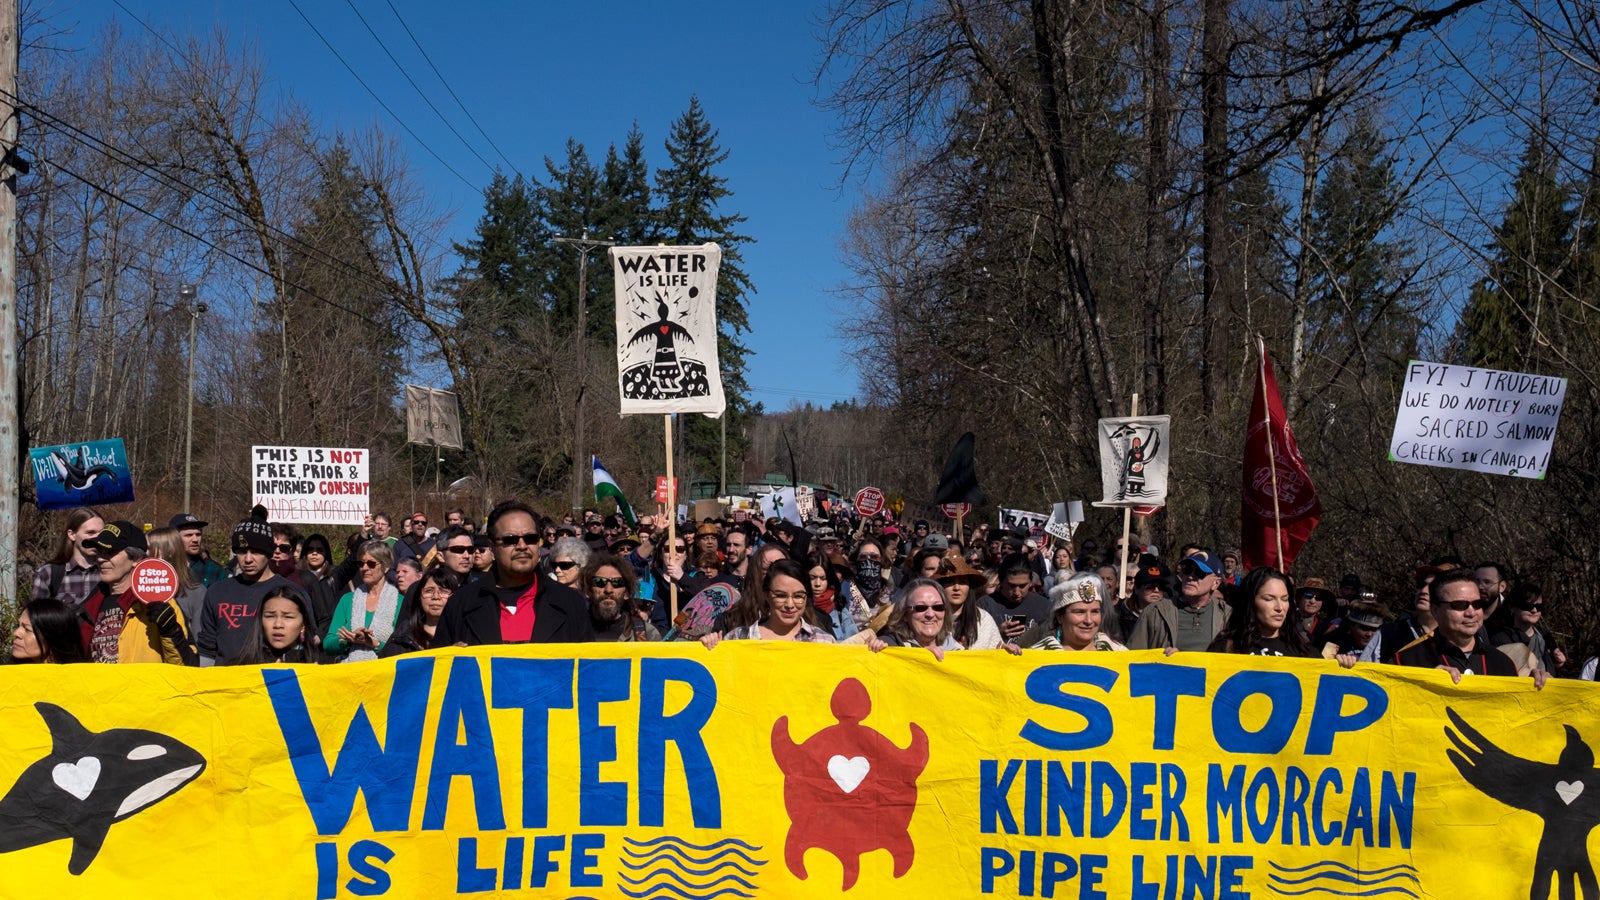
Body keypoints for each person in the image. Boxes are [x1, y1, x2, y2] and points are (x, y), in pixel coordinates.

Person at [434, 500, 595, 645]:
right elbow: (438, 672)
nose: (522, 546)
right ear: (492, 546)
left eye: (530, 538)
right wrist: (451, 659)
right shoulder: (460, 604)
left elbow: (588, 671)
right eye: (510, 539)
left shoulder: (570, 603)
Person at [1391, 569, 1544, 687]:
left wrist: (1536, 687)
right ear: (1435, 611)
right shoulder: (1405, 661)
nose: (1471, 612)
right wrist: (1419, 685)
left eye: (1477, 605)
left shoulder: (1502, 663)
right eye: (1460, 605)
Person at [79, 521, 195, 665]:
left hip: (144, 687)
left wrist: (171, 632)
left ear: (136, 559)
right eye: (99, 551)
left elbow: (189, 667)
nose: (100, 559)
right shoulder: (88, 607)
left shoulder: (161, 605)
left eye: (109, 552)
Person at [196, 519, 300, 667]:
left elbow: (305, 644)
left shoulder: (291, 593)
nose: (248, 559)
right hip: (226, 683)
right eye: (242, 551)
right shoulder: (217, 592)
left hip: (272, 683)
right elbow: (207, 649)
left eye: (256, 551)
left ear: (269, 552)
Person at [701, 558, 836, 646]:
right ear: (766, 595)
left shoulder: (824, 641)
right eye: (781, 596)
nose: (790, 605)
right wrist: (708, 648)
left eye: (798, 596)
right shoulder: (737, 638)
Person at [1127, 551, 1231, 651]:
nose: (1190, 577)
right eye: (1187, 570)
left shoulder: (1227, 616)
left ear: (1216, 583)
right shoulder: (1155, 612)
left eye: (1199, 573)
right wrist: (1161, 657)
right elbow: (1133, 659)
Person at [1208, 568, 1320, 658]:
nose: (1279, 607)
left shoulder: (1303, 651)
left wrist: (1336, 666)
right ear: (1250, 602)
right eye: (1269, 599)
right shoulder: (1226, 648)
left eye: (1284, 599)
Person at [324, 540, 404, 662]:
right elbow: (328, 644)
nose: (364, 568)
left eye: (371, 564)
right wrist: (348, 640)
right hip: (350, 672)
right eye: (361, 563)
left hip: (385, 674)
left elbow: (403, 649)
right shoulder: (347, 600)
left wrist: (374, 643)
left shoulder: (400, 602)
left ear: (386, 567)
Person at [1022, 574, 1126, 652]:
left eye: (1095, 612)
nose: (1089, 620)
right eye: (1079, 612)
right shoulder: (1038, 655)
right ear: (1059, 616)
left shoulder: (1119, 654)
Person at [225, 587, 328, 665]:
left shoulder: (321, 665)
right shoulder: (238, 666)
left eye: (288, 617)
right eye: (270, 616)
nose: (278, 625)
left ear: (303, 623)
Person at [868, 578, 964, 659]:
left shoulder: (959, 652)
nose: (930, 614)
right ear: (905, 614)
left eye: (938, 607)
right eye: (920, 608)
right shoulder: (887, 647)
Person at [29, 507, 103, 607]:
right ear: (72, 535)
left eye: (101, 533)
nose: (97, 539)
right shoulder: (49, 573)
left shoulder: (109, 572)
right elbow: (36, 617)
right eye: (90, 533)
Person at [384, 567, 465, 655]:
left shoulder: (465, 634)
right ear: (419, 597)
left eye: (443, 591)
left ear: (455, 597)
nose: (436, 597)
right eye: (429, 591)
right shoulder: (402, 638)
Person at [145, 527, 207, 639]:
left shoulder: (196, 592)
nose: (144, 554)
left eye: (149, 548)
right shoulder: (138, 589)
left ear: (170, 551)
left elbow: (199, 639)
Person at [978, 553, 1053, 644]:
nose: (1017, 592)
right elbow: (976, 644)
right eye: (1011, 586)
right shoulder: (985, 605)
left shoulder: (1044, 606)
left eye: (1022, 586)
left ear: (1030, 581)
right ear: (1001, 581)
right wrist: (997, 634)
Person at [584, 553, 660, 642]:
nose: (608, 590)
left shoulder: (647, 635)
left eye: (617, 582)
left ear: (626, 593)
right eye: (600, 582)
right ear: (588, 591)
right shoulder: (571, 630)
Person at [1490, 583, 1564, 674]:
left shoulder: (1545, 636)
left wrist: (1556, 663)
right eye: (1527, 606)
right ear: (1512, 607)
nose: (1534, 611)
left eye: (1539, 607)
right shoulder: (1500, 639)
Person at [935, 556, 1002, 650]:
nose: (956, 588)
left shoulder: (983, 619)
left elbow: (995, 650)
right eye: (949, 582)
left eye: (962, 582)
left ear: (969, 587)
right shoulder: (930, 617)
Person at [10, 598, 89, 663]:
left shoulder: (80, 679)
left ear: (52, 637)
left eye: (27, 629)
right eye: (18, 626)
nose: (16, 633)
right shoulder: (8, 676)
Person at [805, 550, 859, 641]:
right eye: (812, 578)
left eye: (823, 578)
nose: (818, 584)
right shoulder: (796, 611)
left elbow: (855, 645)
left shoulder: (840, 612)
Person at [170, 513, 226, 587]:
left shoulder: (214, 569)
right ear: (174, 538)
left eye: (198, 534)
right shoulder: (163, 568)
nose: (195, 540)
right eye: (189, 535)